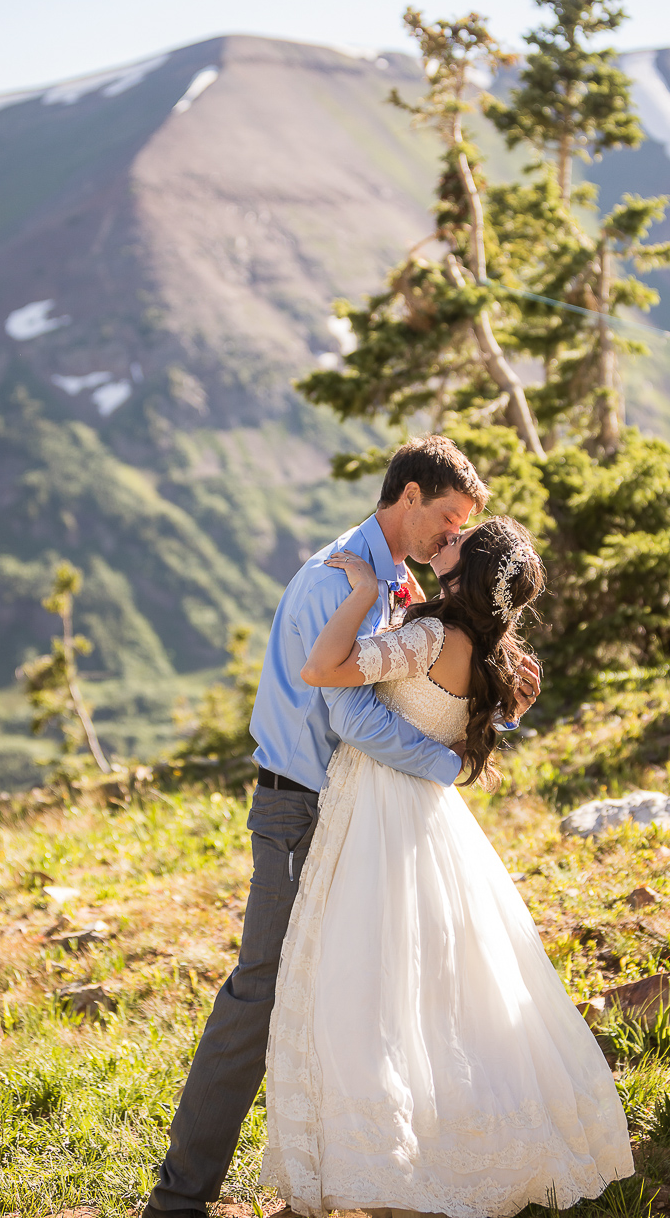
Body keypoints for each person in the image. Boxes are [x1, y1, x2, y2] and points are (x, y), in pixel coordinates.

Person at [143, 436, 542, 1218]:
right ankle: (180, 1197)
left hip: (361, 815)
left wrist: (493, 706)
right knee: (260, 990)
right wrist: (445, 767)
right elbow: (349, 710)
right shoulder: (339, 579)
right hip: (300, 806)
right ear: (410, 496)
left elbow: (429, 683)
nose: (450, 537)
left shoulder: (400, 581)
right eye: (449, 518)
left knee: (370, 986)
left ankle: (364, 1165)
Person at [261, 514, 634, 1216]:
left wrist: (361, 592)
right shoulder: (488, 650)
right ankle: (441, 1136)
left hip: (376, 807)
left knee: (362, 980)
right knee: (436, 982)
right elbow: (466, 721)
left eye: (458, 540)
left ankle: (385, 1155)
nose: (444, 540)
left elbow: (320, 670)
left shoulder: (428, 636)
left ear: (467, 572)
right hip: (427, 815)